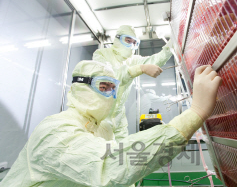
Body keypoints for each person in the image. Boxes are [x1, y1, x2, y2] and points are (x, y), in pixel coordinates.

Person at [0, 61, 221, 187]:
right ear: (79, 86)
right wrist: (196, 113)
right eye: (102, 86)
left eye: (112, 88)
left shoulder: (102, 127)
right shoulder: (54, 131)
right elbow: (109, 166)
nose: (109, 94)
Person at [93, 25, 174, 142]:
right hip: (99, 117)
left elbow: (154, 60)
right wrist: (140, 68)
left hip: (119, 118)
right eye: (128, 40)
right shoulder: (101, 54)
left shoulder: (132, 60)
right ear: (118, 38)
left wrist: (171, 45)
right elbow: (110, 77)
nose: (131, 45)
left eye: (134, 42)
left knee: (121, 154)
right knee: (99, 154)